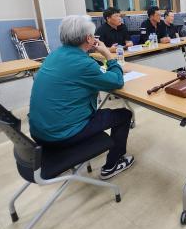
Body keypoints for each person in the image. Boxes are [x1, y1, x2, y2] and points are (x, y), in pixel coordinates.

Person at [29, 15, 134, 180]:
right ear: (89, 38)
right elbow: (117, 82)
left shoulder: (54, 55)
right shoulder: (83, 64)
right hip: (62, 135)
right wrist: (108, 55)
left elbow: (78, 72)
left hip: (39, 134)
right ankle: (112, 165)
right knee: (124, 115)